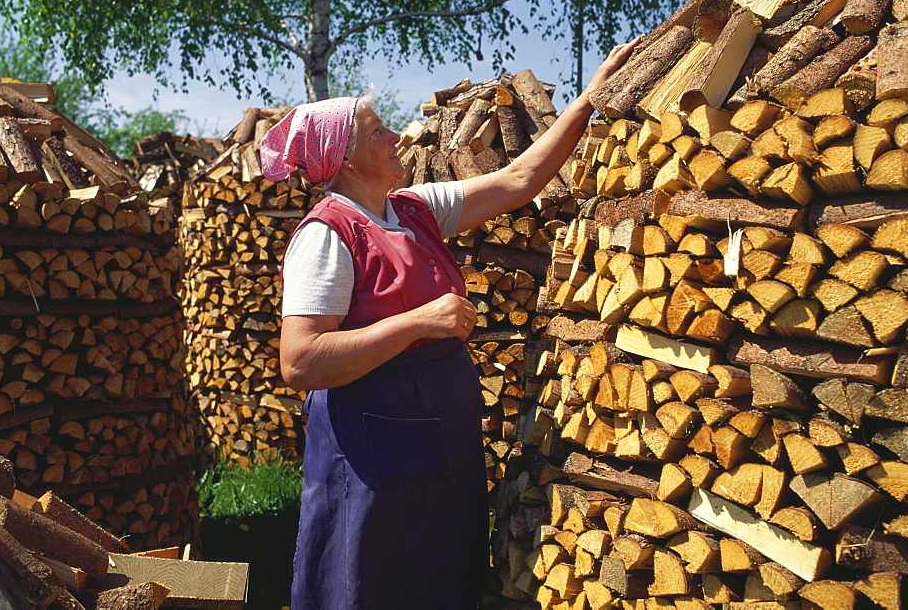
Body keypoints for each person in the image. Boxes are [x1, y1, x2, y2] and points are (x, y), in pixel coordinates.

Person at [261, 38, 639, 609]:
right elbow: (301, 361)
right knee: (370, 573)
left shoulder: (411, 207)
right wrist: (416, 321)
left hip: (436, 429)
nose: (396, 137)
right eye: (377, 131)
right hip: (374, 442)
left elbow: (519, 181)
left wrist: (588, 98)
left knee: (437, 571)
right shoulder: (327, 235)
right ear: (343, 159)